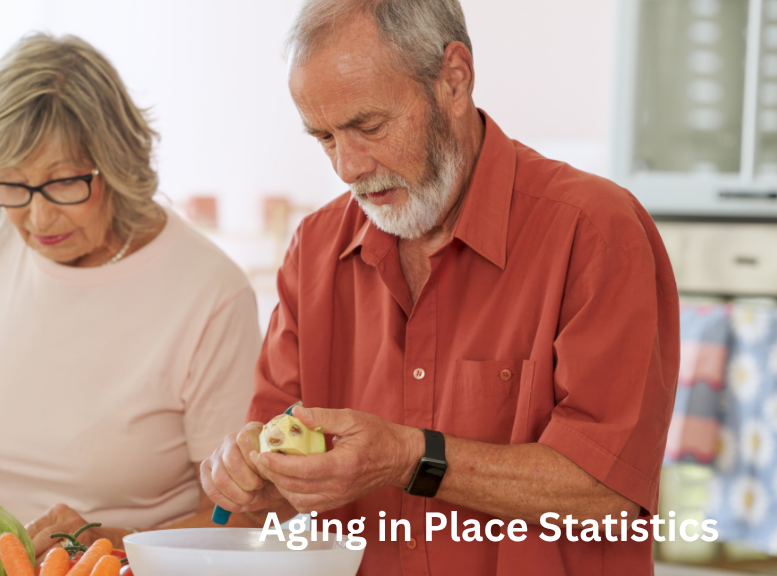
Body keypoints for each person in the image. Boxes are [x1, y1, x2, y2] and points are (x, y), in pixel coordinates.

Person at [201, 1, 679, 575]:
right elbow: (276, 476)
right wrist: (250, 472)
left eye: (368, 126)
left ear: (454, 78)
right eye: (324, 137)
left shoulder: (595, 231)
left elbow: (610, 491)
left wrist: (409, 458)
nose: (347, 166)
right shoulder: (315, 247)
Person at [0, 33, 262, 557]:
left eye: (62, 183)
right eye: (10, 184)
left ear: (119, 165)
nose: (37, 218)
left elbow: (237, 514)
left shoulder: (210, 292)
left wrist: (117, 544)